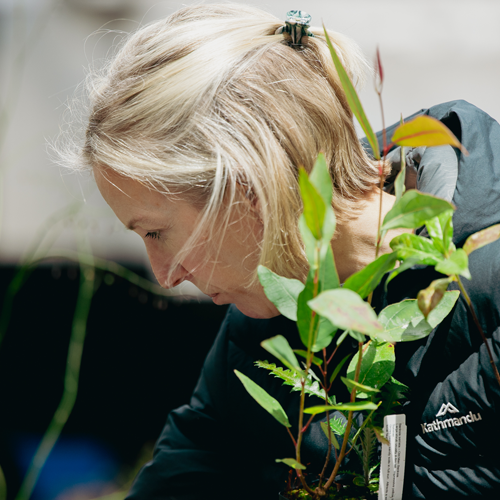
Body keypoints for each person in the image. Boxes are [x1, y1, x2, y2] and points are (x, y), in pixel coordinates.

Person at [67, 4, 500, 499]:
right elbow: (190, 468)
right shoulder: (266, 311)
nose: (164, 275)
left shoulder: (487, 282)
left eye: (156, 232)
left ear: (249, 185)